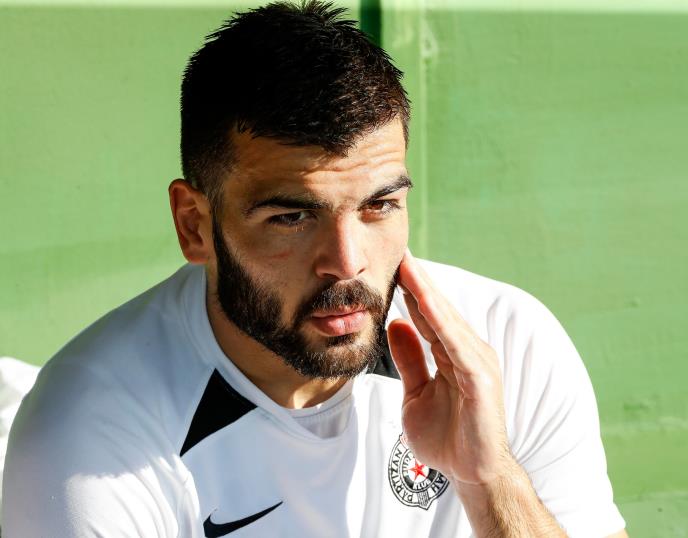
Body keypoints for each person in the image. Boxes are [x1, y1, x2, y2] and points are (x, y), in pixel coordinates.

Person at [2, 2, 628, 537]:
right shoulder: (88, 435)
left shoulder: (505, 345)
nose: (348, 263)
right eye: (292, 218)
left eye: (379, 206)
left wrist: (490, 480)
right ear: (195, 224)